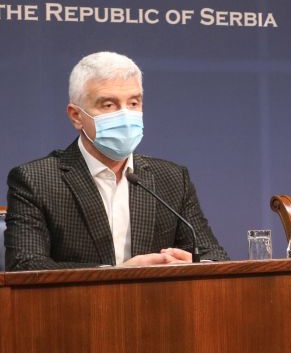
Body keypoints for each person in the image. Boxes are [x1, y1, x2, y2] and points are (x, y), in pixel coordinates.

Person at [4, 51, 229, 270]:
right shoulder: (36, 181)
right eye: (109, 105)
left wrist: (195, 265)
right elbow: (25, 264)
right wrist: (118, 273)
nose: (125, 116)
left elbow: (214, 256)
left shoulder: (171, 179)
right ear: (76, 116)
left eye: (133, 103)